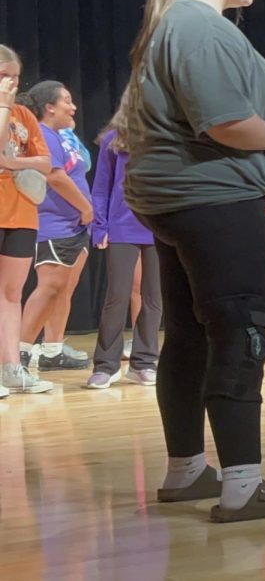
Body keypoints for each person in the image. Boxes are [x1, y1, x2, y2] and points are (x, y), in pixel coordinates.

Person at [122, 0, 265, 521]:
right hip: (214, 198)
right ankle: (243, 485)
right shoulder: (197, 27)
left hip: (181, 201)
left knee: (190, 333)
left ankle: (187, 471)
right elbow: (226, 123)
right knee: (239, 334)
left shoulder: (176, 25)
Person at [88, 97, 162, 388]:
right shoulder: (113, 140)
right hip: (121, 227)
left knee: (154, 297)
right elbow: (101, 187)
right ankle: (105, 365)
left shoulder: (167, 140)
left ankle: (144, 362)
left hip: (158, 228)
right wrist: (100, 227)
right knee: (117, 295)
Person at [18, 81, 92, 372]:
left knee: (63, 291)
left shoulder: (63, 137)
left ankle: (52, 351)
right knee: (49, 287)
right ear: (49, 107)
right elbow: (55, 177)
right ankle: (19, 355)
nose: (73, 107)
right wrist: (86, 207)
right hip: (54, 225)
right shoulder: (43, 134)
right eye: (67, 101)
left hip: (74, 227)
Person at [0, 46, 54, 396]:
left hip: (21, 212)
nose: (11, 83)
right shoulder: (9, 110)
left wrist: (12, 164)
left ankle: (10, 368)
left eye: (15, 77)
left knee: (11, 292)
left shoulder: (25, 114)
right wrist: (2, 108)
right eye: (4, 76)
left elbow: (46, 163)